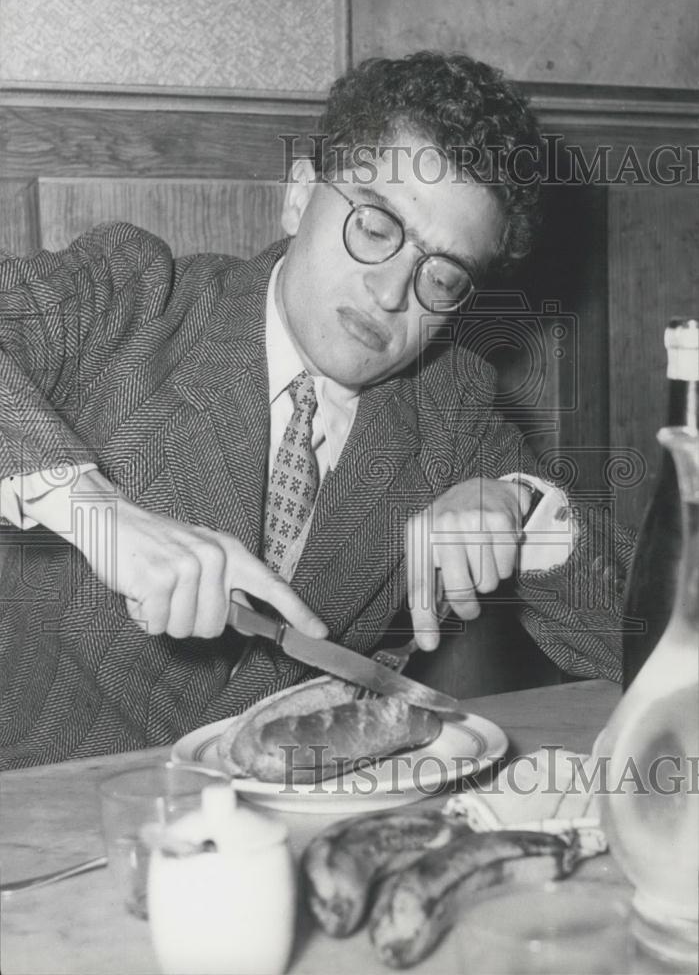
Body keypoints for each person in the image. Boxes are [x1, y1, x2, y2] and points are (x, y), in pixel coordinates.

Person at [0, 52, 632, 768]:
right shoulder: (132, 297)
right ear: (300, 194)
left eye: (443, 274)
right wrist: (96, 512)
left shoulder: (452, 409)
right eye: (373, 226)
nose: (391, 293)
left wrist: (520, 509)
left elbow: (640, 642)